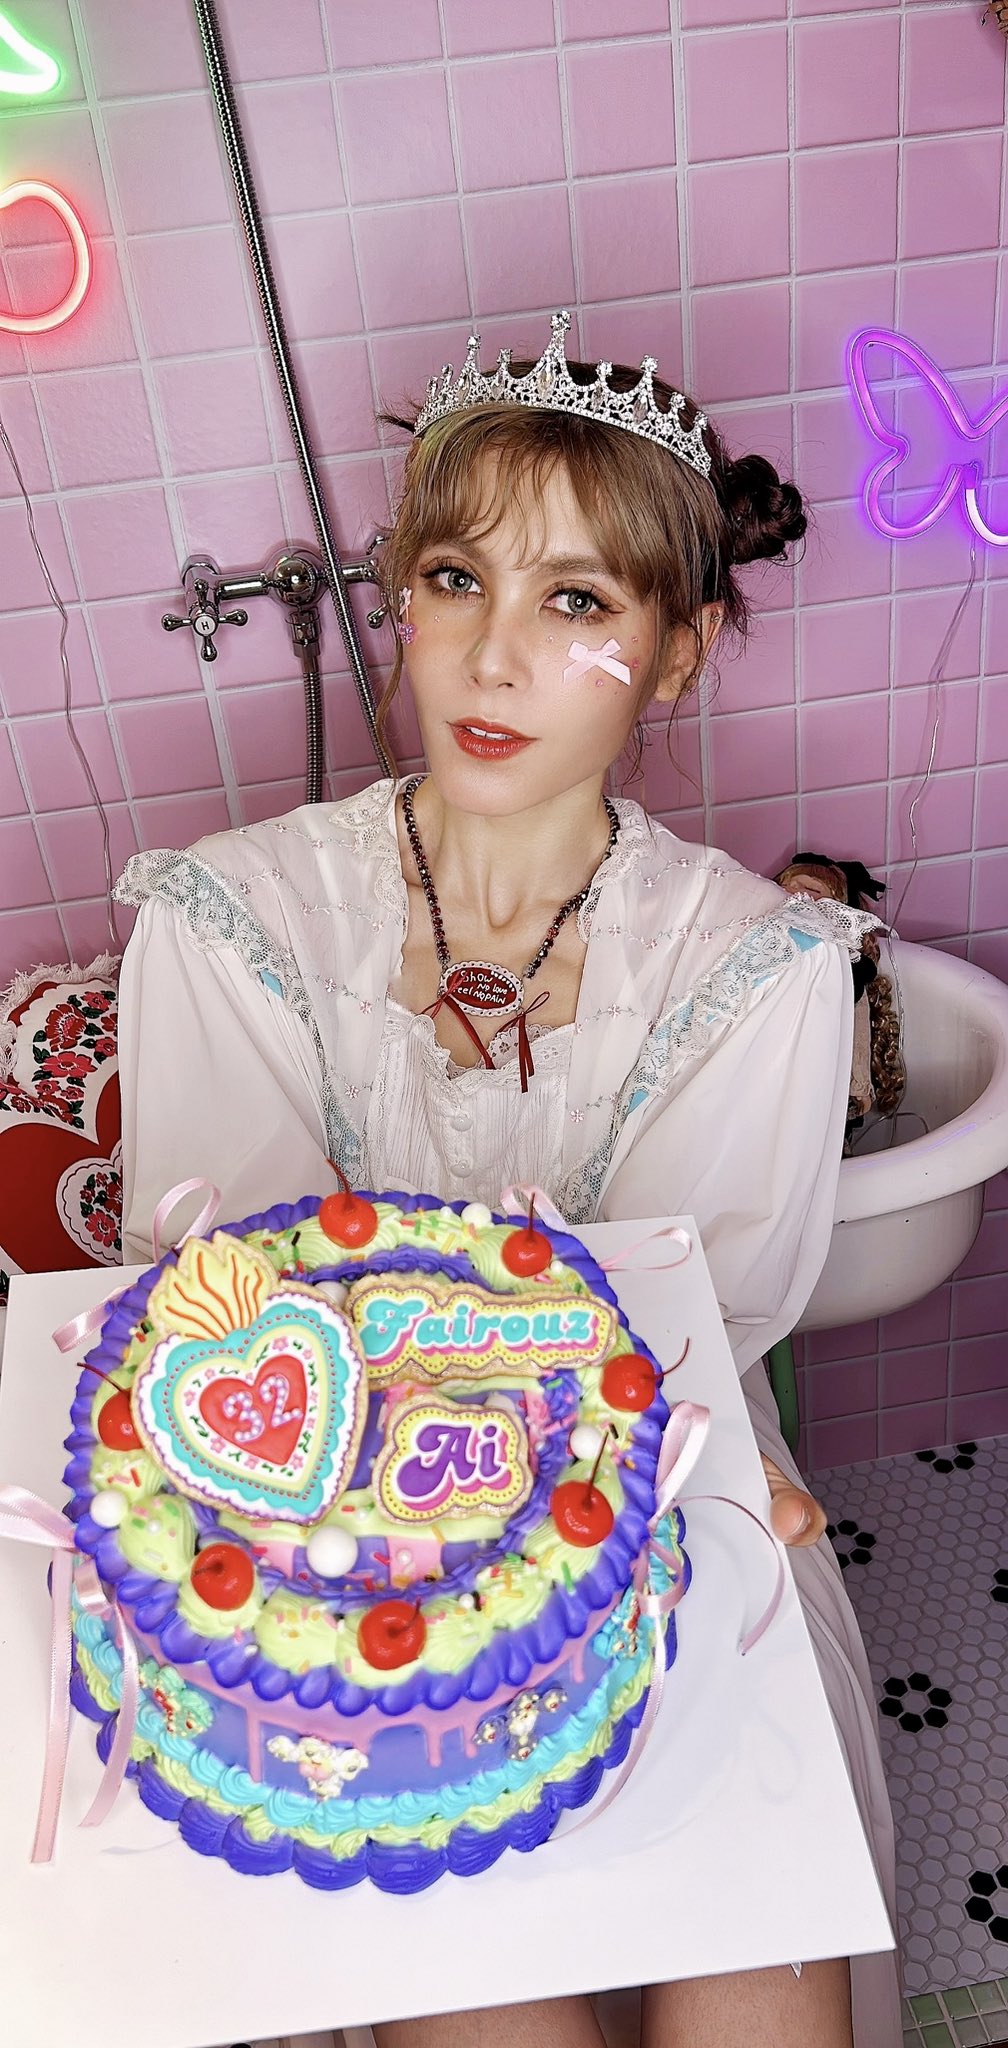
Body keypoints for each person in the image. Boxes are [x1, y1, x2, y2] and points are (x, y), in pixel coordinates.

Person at [116, 312, 900, 2048]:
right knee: (474, 1987)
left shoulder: (755, 967)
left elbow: (686, 1338)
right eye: (457, 579)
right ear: (401, 592)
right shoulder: (235, 922)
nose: (491, 658)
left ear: (678, 654)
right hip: (342, 1568)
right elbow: (241, 1321)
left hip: (681, 1511)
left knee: (754, 1970)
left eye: (576, 602)